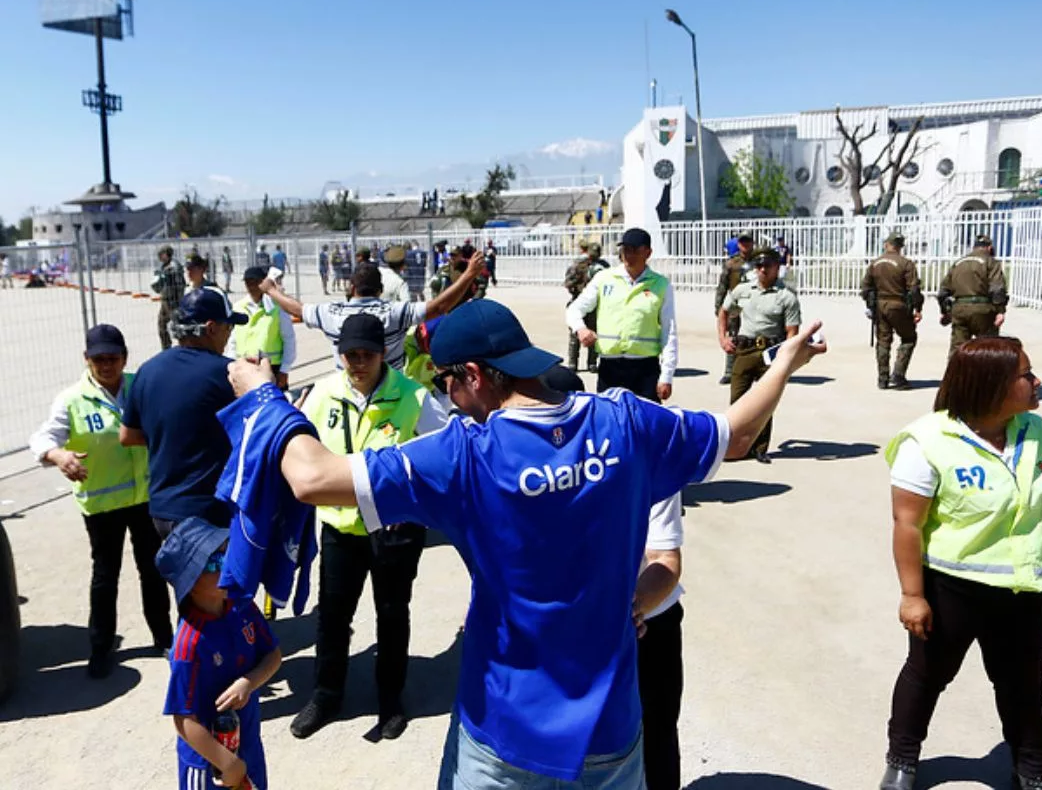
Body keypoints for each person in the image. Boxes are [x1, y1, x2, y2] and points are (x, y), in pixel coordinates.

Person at [223, 297, 829, 787]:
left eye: (446, 385)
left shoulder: (464, 456)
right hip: (611, 731)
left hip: (506, 731)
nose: (446, 400)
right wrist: (783, 364)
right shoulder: (628, 422)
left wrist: (261, 395)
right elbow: (739, 434)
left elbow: (310, 478)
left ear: (477, 376)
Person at [877, 337, 1042, 790]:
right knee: (928, 676)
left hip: (1024, 589)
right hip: (953, 588)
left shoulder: (1038, 433)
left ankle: (1032, 768)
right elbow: (907, 524)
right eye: (1026, 375)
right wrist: (912, 595)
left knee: (1023, 683)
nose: (1036, 382)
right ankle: (902, 759)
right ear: (991, 386)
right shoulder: (929, 440)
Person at [289, 314, 447, 741]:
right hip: (340, 529)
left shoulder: (414, 397)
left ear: (384, 355)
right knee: (333, 617)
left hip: (395, 533)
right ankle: (325, 696)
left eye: (367, 355)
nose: (358, 363)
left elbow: (444, 454)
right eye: (350, 355)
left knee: (392, 615)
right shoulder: (323, 393)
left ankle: (391, 701)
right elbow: (294, 443)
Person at [538, 366, 687, 790]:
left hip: (648, 622)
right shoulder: (528, 472)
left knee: (655, 731)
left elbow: (664, 559)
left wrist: (630, 608)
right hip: (568, 626)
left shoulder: (644, 462)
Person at [28, 324, 173, 678]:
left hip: (145, 499)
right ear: (86, 360)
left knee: (153, 570)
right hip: (102, 506)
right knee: (105, 577)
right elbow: (43, 437)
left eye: (113, 358)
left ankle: (165, 638)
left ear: (125, 358)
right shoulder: (72, 399)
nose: (106, 365)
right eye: (98, 359)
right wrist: (58, 455)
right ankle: (101, 648)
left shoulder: (142, 384)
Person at [158, 518, 282, 790]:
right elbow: (183, 720)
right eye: (213, 564)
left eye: (227, 555)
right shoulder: (189, 644)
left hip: (247, 743)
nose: (226, 567)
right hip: (209, 761)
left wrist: (249, 682)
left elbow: (273, 655)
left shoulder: (241, 605)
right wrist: (227, 763)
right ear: (188, 581)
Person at [121, 287, 247, 536]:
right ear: (211, 328)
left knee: (183, 576)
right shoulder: (228, 373)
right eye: (228, 327)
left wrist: (172, 435)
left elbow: (127, 435)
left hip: (162, 510)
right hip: (208, 512)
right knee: (222, 576)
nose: (229, 335)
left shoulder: (147, 370)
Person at [261, 256, 484, 371]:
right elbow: (438, 307)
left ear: (351, 288)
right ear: (380, 290)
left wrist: (271, 290)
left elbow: (298, 308)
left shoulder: (331, 313)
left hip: (346, 395)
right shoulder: (394, 313)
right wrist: (469, 274)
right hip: (393, 395)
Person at [567, 227, 678, 402]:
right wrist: (580, 329)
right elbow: (574, 309)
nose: (628, 255)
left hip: (645, 368)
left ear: (647, 252)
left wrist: (667, 375)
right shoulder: (604, 278)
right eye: (625, 249)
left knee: (645, 425)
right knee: (611, 423)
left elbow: (669, 331)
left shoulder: (661, 285)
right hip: (610, 368)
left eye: (634, 250)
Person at [717, 249, 802, 463]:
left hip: (770, 353)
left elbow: (792, 330)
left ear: (777, 267)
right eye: (759, 266)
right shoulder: (743, 290)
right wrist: (723, 338)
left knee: (765, 402)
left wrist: (786, 357)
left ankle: (760, 448)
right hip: (744, 350)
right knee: (737, 399)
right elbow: (724, 312)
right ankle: (734, 446)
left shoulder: (786, 296)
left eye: (768, 266)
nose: (763, 270)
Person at [862, 233, 924, 390]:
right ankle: (898, 375)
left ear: (886, 244)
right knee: (909, 338)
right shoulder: (906, 264)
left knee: (883, 341)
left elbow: (865, 288)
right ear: (900, 246)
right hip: (899, 305)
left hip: (880, 306)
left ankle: (882, 378)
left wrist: (870, 306)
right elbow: (914, 289)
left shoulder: (875, 263)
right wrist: (918, 309)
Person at [224, 266, 296, 391]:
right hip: (244, 366)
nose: (251, 286)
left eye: (255, 282)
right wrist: (231, 365)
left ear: (264, 282)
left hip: (272, 368)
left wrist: (284, 370)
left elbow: (289, 339)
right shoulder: (238, 307)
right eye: (248, 282)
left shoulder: (277, 307)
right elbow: (233, 340)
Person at [937, 234, 1008, 356]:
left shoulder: (958, 263)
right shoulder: (991, 262)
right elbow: (997, 288)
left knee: (958, 349)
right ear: (990, 248)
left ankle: (955, 374)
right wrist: (1000, 310)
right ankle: (985, 374)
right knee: (987, 348)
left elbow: (943, 291)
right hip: (983, 310)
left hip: (959, 309)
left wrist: (945, 311)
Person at [714, 232, 754, 384]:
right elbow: (722, 286)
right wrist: (718, 307)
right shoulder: (731, 264)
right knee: (733, 337)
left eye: (748, 241)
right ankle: (730, 371)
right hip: (735, 305)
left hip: (755, 304)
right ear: (738, 244)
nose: (745, 245)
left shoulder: (759, 262)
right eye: (742, 242)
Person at [564, 242, 610, 373]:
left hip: (595, 305)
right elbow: (568, 282)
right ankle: (573, 363)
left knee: (593, 334)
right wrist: (579, 289)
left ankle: (592, 363)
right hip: (579, 301)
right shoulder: (578, 265)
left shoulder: (604, 266)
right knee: (575, 335)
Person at [151, 245, 188, 351]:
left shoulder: (174, 266)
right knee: (161, 326)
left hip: (173, 302)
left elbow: (180, 285)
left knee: (179, 327)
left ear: (167, 254)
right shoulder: (164, 266)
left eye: (161, 254)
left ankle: (185, 348)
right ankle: (166, 348)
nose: (159, 257)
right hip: (165, 301)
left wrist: (178, 301)